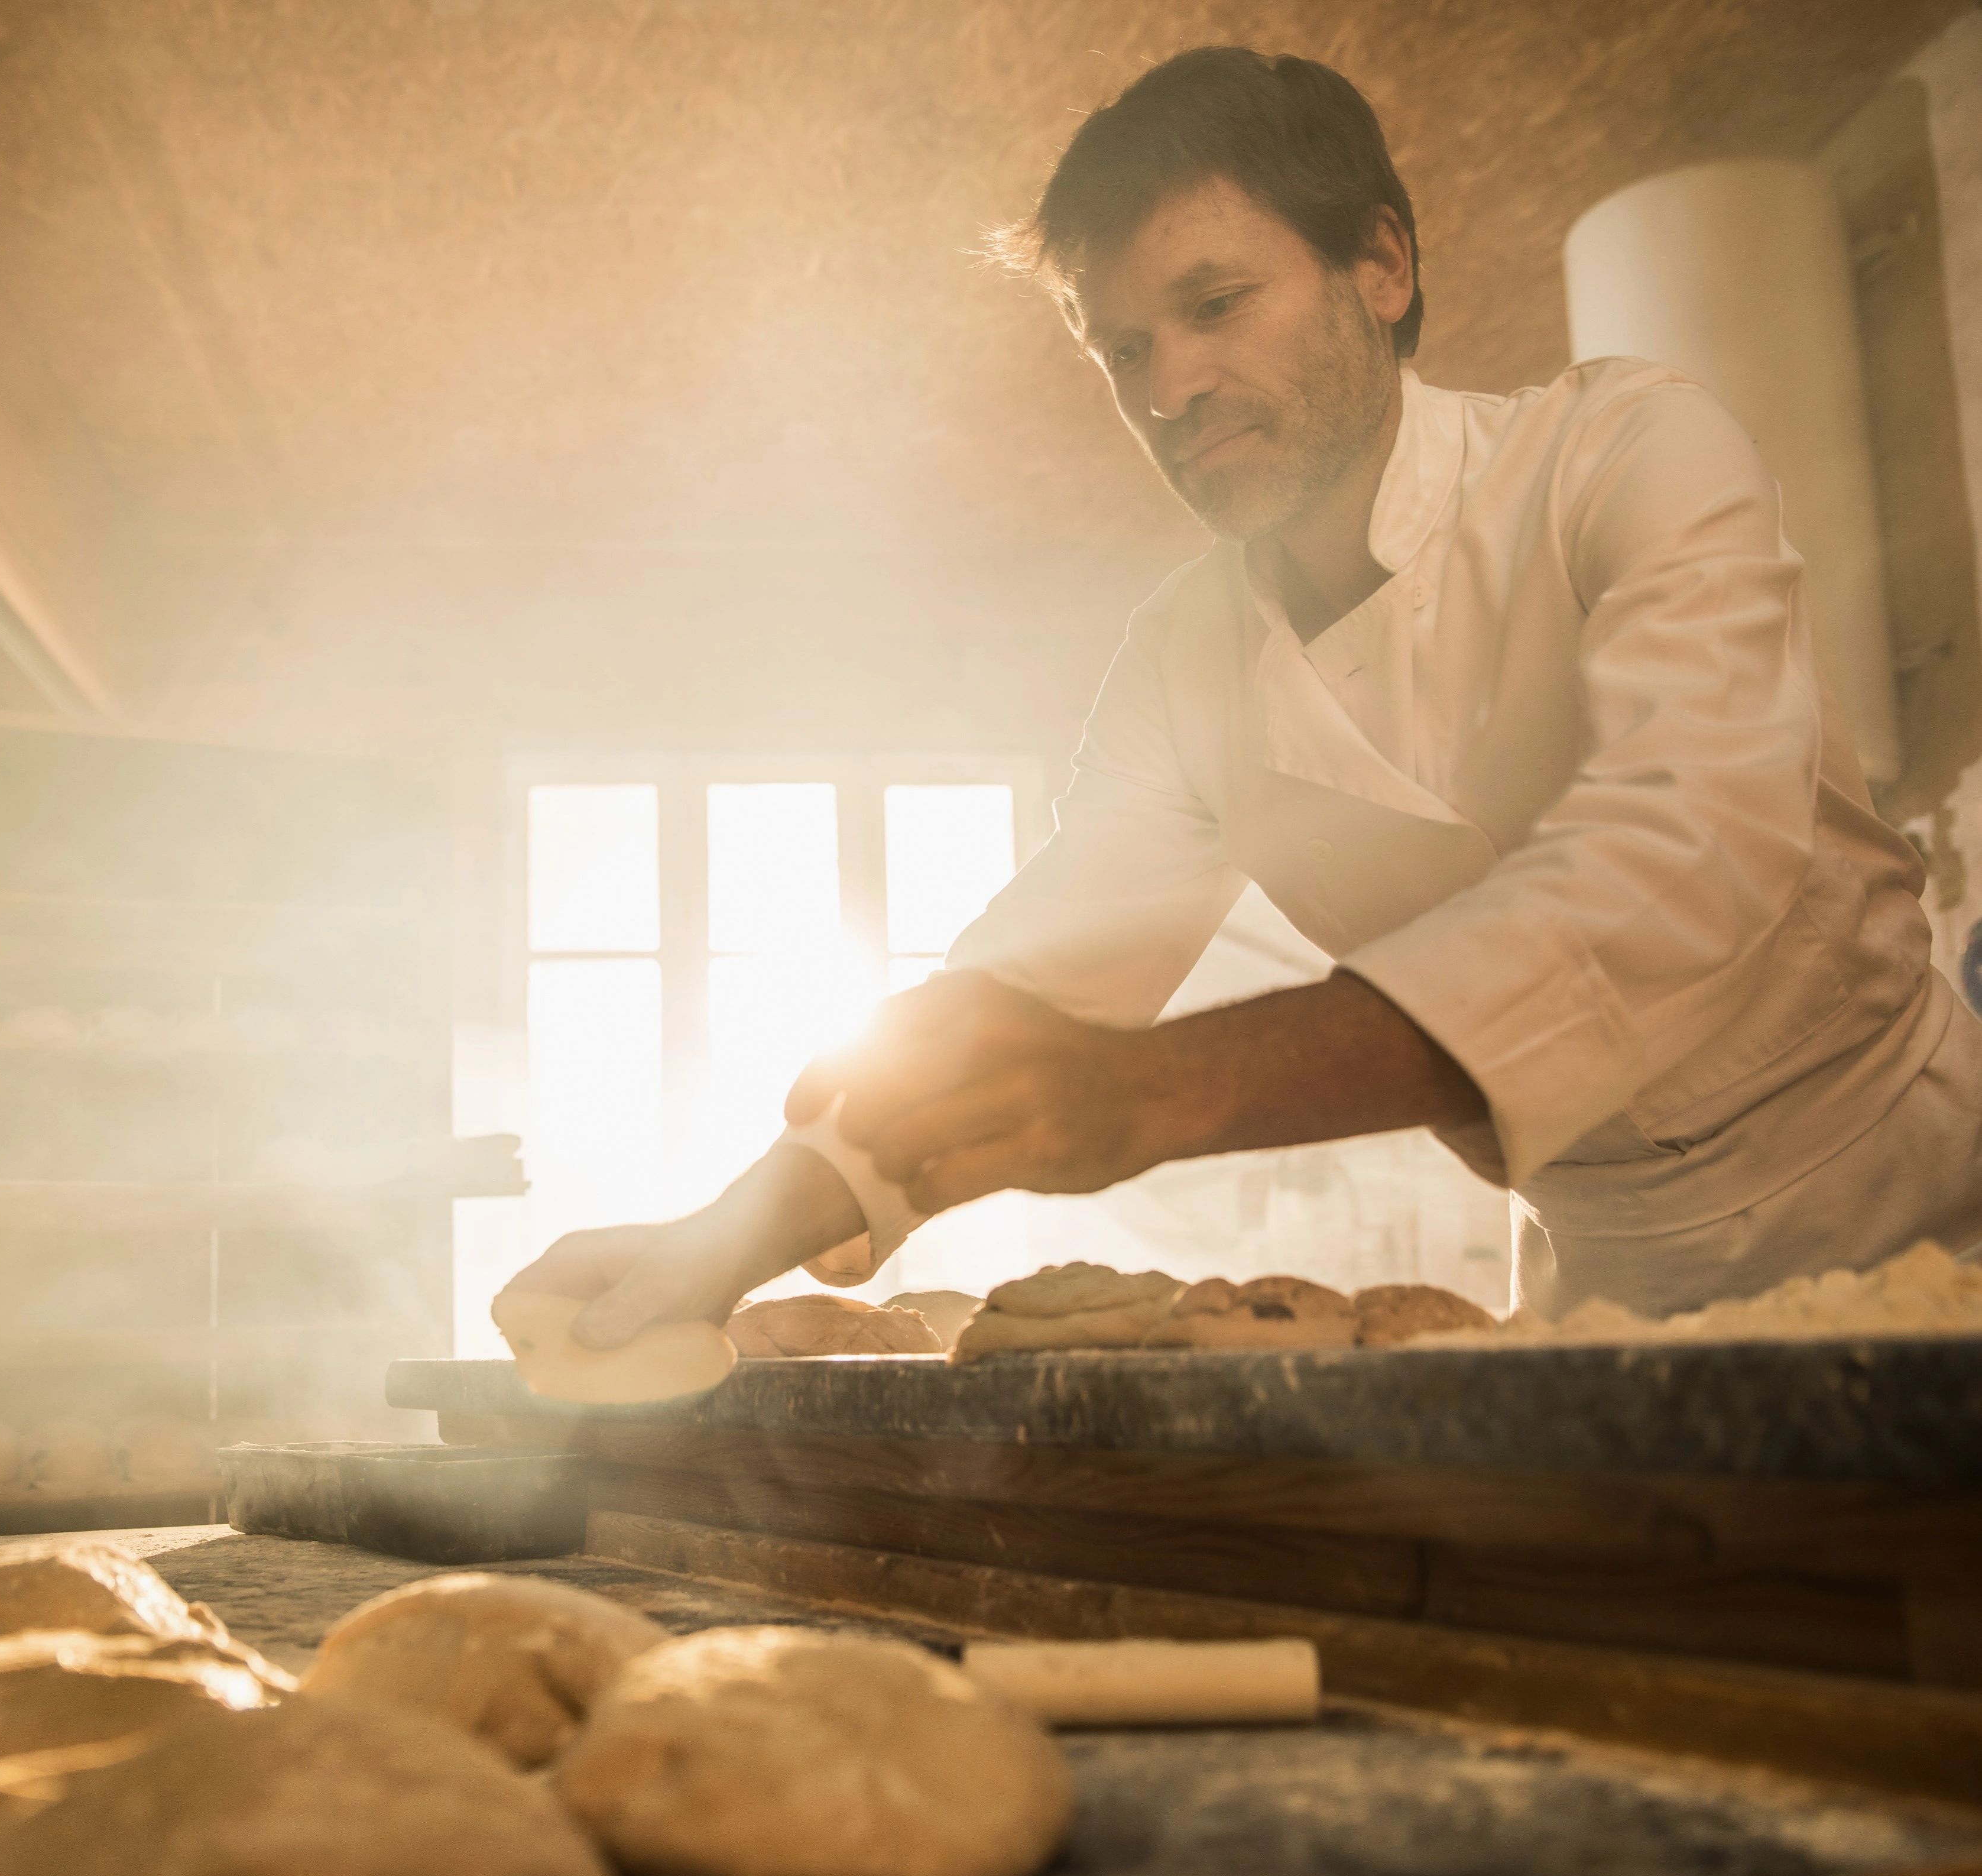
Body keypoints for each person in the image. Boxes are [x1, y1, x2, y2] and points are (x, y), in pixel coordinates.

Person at [510, 45, 1982, 1343]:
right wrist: (724, 1240)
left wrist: (1157, 1093)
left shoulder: (1626, 455)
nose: (1170, 387)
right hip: (1612, 1285)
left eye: (1217, 303)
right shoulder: (1181, 658)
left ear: (1382, 267)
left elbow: (1690, 858)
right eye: (1126, 347)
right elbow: (1023, 990)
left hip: (1927, 1207)